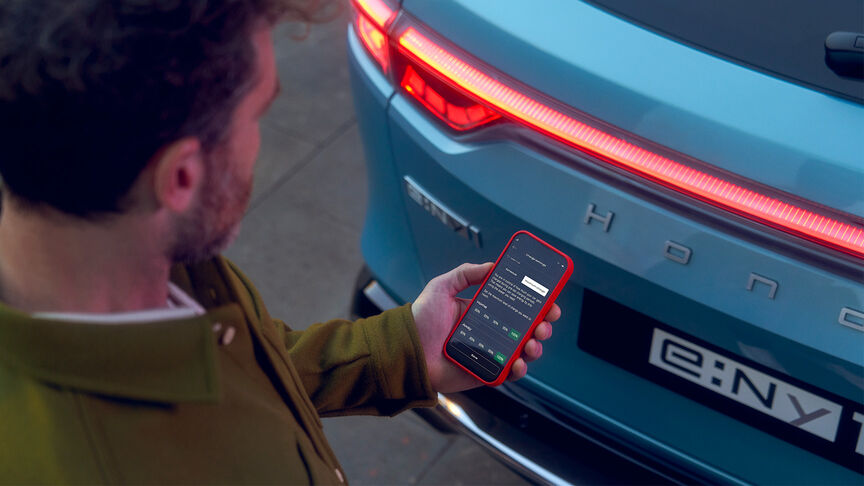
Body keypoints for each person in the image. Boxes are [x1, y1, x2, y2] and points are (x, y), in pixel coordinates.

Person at [0, 0, 561, 483]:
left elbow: (245, 371)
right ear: (180, 179)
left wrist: (404, 350)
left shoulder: (140, 245)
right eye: (258, 114)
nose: (258, 145)